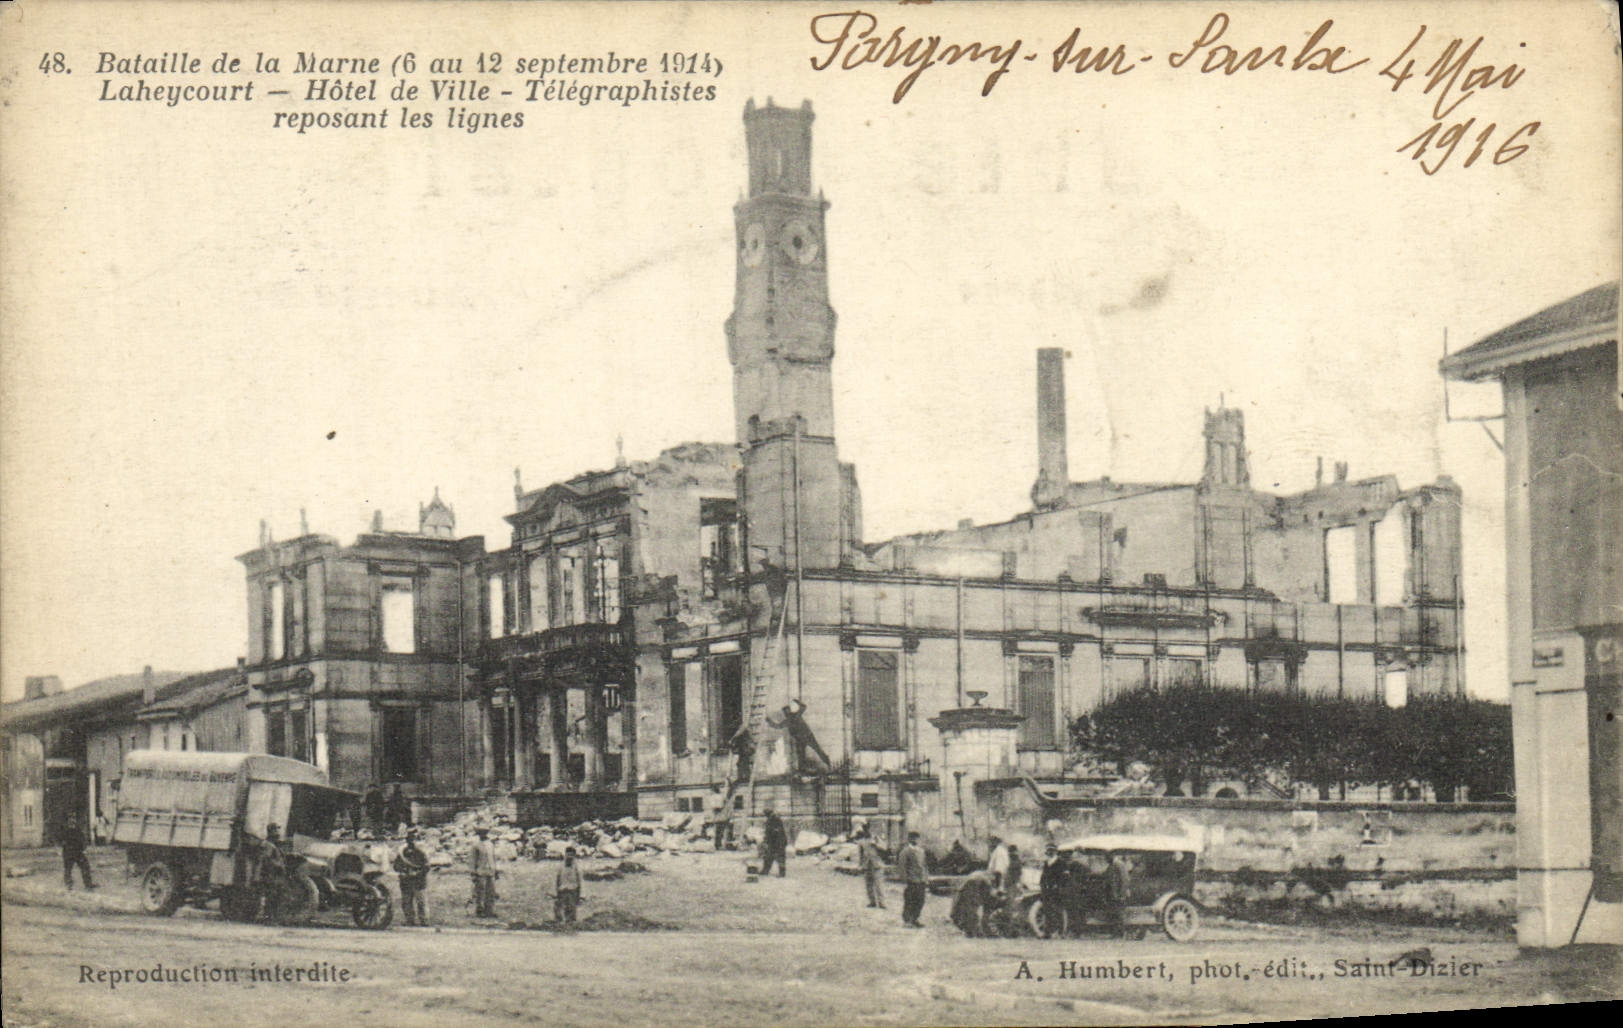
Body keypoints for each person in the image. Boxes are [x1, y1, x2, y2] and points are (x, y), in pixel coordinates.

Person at [766, 699, 833, 777]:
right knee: (802, 756)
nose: (786, 713)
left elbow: (803, 707)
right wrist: (769, 721)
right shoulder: (789, 720)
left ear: (789, 711)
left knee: (816, 751)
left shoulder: (795, 715)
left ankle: (827, 763)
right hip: (801, 739)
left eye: (787, 711)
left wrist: (797, 701)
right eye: (785, 712)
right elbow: (777, 726)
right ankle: (803, 771)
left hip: (807, 737)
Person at [394, 829, 430, 926]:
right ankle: (409, 920)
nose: (412, 842)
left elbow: (426, 866)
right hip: (406, 881)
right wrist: (402, 872)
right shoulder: (402, 852)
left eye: (414, 839)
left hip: (418, 881)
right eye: (409, 840)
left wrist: (417, 873)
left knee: (421, 902)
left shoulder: (421, 852)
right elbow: (396, 865)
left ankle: (424, 920)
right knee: (406, 902)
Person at [899, 831, 929, 928]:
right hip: (911, 880)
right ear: (909, 839)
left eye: (917, 838)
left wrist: (926, 878)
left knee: (920, 900)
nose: (915, 840)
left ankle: (915, 918)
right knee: (909, 900)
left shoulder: (921, 851)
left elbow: (924, 865)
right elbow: (902, 867)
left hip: (921, 880)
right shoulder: (905, 851)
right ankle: (907, 920)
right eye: (913, 838)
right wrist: (904, 880)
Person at [60, 819, 95, 891]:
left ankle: (87, 884)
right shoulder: (69, 832)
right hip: (72, 853)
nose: (72, 825)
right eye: (70, 824)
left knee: (84, 867)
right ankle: (70, 884)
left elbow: (83, 841)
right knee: (69, 869)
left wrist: (83, 848)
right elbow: (82, 841)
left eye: (73, 824)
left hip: (74, 853)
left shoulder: (73, 832)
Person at [470, 826, 497, 918]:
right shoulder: (476, 845)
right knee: (480, 892)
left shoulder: (490, 844)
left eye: (484, 833)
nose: (483, 835)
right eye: (481, 833)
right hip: (480, 871)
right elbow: (473, 860)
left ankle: (489, 910)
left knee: (491, 892)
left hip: (491, 871)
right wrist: (473, 873)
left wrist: (495, 870)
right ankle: (480, 910)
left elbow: (493, 858)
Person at [857, 825, 886, 909]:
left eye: (868, 830)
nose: (867, 832)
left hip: (877, 864)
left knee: (879, 885)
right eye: (865, 830)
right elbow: (860, 853)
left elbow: (884, 848)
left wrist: (876, 844)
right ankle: (872, 901)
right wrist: (860, 865)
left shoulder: (876, 838)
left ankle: (882, 903)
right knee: (868, 885)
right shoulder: (861, 841)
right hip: (867, 865)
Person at [1107, 852, 1134, 936]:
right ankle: (1116, 932)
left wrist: (1122, 894)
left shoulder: (1119, 865)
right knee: (1115, 913)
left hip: (1119, 894)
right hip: (1114, 893)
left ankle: (1121, 932)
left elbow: (1125, 879)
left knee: (1120, 913)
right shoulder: (1112, 865)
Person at [554, 847, 583, 925]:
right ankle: (559, 922)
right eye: (568, 855)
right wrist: (557, 891)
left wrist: (579, 894)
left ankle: (571, 923)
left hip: (572, 890)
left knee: (571, 908)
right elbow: (557, 879)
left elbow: (579, 881)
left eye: (572, 855)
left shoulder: (576, 867)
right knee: (560, 908)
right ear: (565, 855)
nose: (569, 857)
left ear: (574, 856)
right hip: (562, 890)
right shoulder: (560, 866)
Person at [759, 807, 788, 878]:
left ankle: (782, 873)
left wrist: (767, 838)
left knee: (779, 857)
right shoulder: (772, 819)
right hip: (775, 841)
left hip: (778, 841)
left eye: (765, 814)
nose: (765, 815)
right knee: (769, 856)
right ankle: (765, 871)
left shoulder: (774, 819)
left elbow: (775, 831)